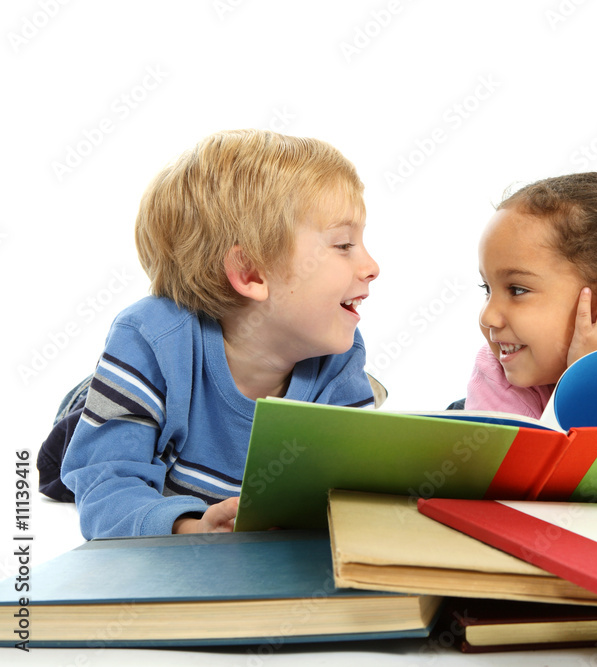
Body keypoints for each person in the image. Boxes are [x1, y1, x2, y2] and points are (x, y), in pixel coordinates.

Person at [53, 129, 380, 539]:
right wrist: (190, 527)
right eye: (344, 245)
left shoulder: (341, 356)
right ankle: (90, 409)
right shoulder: (150, 336)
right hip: (132, 404)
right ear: (251, 273)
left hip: (229, 472)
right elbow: (107, 488)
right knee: (78, 456)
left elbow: (348, 496)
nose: (372, 266)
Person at [466, 172, 597, 419]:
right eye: (487, 289)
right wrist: (583, 383)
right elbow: (523, 459)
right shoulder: (494, 374)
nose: (488, 317)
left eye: (517, 290)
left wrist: (596, 379)